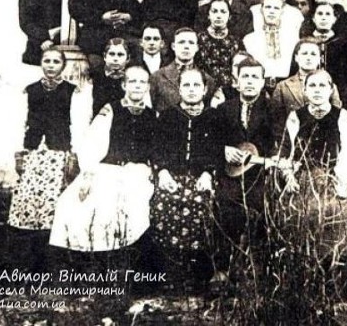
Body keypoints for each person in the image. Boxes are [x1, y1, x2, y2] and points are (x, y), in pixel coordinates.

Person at [277, 69, 347, 292]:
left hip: (334, 179)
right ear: (305, 90)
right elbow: (285, 153)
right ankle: (304, 278)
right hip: (302, 179)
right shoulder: (295, 116)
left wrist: (343, 181)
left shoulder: (342, 116)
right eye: (312, 86)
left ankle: (331, 278)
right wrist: (288, 176)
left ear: (330, 90)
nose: (317, 91)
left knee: (334, 217)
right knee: (301, 218)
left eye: (322, 86)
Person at [50, 66, 156, 253]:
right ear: (124, 85)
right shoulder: (110, 109)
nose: (137, 86)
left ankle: (122, 255)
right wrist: (88, 175)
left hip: (137, 172)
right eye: (132, 81)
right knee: (76, 204)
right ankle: (90, 258)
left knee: (132, 206)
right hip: (108, 169)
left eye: (142, 82)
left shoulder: (152, 115)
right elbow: (93, 142)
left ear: (147, 86)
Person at [150, 68, 224, 291]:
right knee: (163, 202)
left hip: (201, 177)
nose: (191, 90)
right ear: (179, 88)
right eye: (186, 85)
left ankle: (198, 274)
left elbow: (217, 151)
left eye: (196, 86)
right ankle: (170, 272)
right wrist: (162, 172)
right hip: (172, 176)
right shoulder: (167, 116)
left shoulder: (213, 118)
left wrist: (208, 173)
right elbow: (157, 149)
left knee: (204, 204)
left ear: (205, 89)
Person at [8, 48, 80, 272]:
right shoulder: (29, 90)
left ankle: (51, 265)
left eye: (56, 61)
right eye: (47, 61)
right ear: (41, 63)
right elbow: (20, 121)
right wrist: (19, 153)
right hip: (33, 154)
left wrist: (73, 155)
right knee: (28, 205)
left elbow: (76, 124)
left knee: (53, 208)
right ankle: (27, 264)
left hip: (57, 155)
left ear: (63, 65)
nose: (51, 65)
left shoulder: (73, 91)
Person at [215, 57, 274, 273]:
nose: (249, 81)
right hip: (230, 174)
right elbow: (212, 140)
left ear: (262, 81)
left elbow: (279, 143)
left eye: (255, 77)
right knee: (225, 205)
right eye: (245, 77)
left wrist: (265, 162)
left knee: (261, 208)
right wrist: (224, 150)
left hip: (260, 175)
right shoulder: (224, 109)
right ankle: (224, 269)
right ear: (236, 81)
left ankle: (257, 271)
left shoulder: (273, 108)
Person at [271, 38, 342, 142]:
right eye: (304, 54)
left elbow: (335, 116)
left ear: (319, 59)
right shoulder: (282, 87)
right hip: (293, 142)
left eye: (313, 54)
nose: (308, 58)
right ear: (296, 58)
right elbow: (277, 124)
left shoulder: (329, 86)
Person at [150, 27, 215, 114]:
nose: (186, 46)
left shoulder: (207, 80)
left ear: (197, 48)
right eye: (181, 42)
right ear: (173, 46)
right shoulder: (157, 77)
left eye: (191, 43)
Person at [243, 0, 300, 91]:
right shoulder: (249, 39)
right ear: (261, 10)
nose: (272, 11)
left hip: (285, 85)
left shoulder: (293, 37)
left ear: (282, 11)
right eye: (268, 7)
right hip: (259, 85)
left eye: (276, 8)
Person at [307, 2, 347, 90]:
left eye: (328, 14)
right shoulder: (305, 43)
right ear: (313, 19)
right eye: (320, 14)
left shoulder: (344, 45)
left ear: (334, 19)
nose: (323, 18)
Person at [196, 0, 244, 89]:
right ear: (208, 15)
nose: (218, 15)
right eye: (214, 11)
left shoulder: (236, 41)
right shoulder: (198, 40)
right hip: (204, 89)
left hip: (230, 90)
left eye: (223, 12)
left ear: (229, 16)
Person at [90, 38, 130, 117]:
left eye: (120, 55)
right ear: (105, 56)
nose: (115, 59)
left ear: (128, 58)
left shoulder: (131, 78)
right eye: (112, 54)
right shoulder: (94, 77)